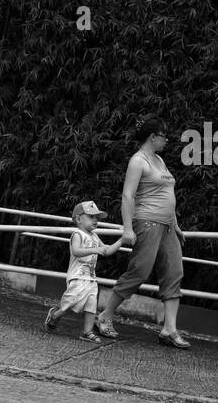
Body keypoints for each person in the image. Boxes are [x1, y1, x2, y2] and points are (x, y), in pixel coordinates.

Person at [95, 117, 191, 348]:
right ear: (153, 137)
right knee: (139, 270)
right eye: (164, 136)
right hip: (146, 223)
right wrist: (127, 228)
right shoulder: (138, 161)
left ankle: (169, 329)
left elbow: (168, 196)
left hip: (167, 226)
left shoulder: (159, 160)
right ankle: (105, 315)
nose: (167, 140)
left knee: (174, 272)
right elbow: (128, 195)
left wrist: (175, 226)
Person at [45, 200, 124, 341]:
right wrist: (95, 249)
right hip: (77, 276)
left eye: (97, 218)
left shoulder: (94, 236)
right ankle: (55, 315)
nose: (95, 220)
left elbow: (106, 251)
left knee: (91, 302)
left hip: (91, 277)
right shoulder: (77, 234)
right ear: (78, 219)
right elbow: (76, 251)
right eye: (91, 217)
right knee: (72, 301)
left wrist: (122, 240)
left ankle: (87, 331)